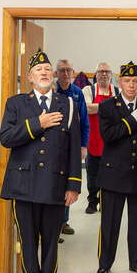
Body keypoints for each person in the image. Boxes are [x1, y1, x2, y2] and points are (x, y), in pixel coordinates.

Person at [0, 48, 81, 273]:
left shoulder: (67, 104)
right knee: (27, 239)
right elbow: (6, 138)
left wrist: (74, 185)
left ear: (54, 76)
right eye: (38, 70)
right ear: (30, 78)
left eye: (47, 70)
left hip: (55, 185)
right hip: (23, 185)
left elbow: (73, 146)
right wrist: (39, 123)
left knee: (50, 240)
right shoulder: (16, 103)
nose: (44, 73)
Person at [95, 61, 137, 273]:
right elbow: (109, 136)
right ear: (119, 82)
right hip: (113, 174)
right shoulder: (107, 106)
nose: (131, 85)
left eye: (135, 81)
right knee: (110, 223)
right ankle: (105, 263)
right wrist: (132, 120)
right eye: (127, 81)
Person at [55, 59, 89, 237]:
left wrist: (83, 145)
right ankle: (54, 224)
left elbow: (84, 122)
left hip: (72, 144)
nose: (66, 74)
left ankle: (64, 222)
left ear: (73, 72)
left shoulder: (77, 93)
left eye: (69, 70)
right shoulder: (52, 90)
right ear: (56, 73)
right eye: (62, 70)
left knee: (69, 181)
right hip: (54, 145)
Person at [82, 63, 120, 214]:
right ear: (96, 74)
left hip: (112, 140)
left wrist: (97, 107)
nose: (104, 74)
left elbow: (122, 108)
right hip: (93, 139)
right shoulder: (88, 89)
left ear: (111, 74)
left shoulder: (118, 90)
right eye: (101, 71)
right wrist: (111, 107)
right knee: (92, 174)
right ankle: (92, 201)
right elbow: (86, 107)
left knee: (111, 173)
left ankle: (107, 201)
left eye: (107, 71)